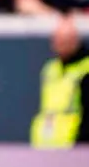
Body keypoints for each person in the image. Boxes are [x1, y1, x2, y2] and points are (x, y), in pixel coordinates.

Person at [31, 15, 89, 148]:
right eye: (57, 40)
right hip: (46, 143)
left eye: (65, 40)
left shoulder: (86, 69)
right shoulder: (50, 69)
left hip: (76, 144)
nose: (60, 44)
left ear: (75, 41)